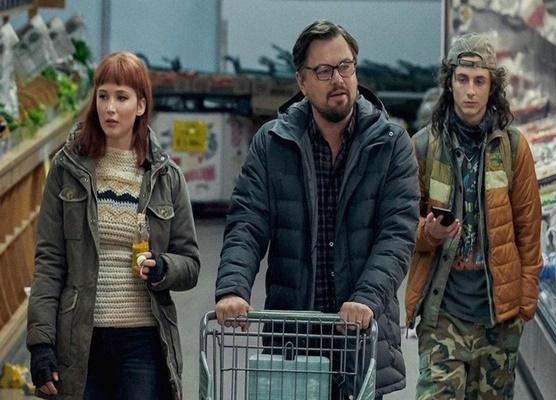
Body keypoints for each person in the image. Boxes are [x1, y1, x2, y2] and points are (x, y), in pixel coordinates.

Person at [214, 20, 419, 399]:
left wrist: (366, 298)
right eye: (324, 71)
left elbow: (397, 234)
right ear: (302, 81)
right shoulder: (272, 143)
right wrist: (232, 288)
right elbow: (247, 223)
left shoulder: (391, 144)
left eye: (345, 66)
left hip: (360, 334)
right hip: (294, 335)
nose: (338, 79)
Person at [26, 51, 201, 399]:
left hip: (143, 341)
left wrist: (162, 266)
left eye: (122, 98)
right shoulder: (67, 169)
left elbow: (191, 264)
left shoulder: (166, 177)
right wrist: (40, 343)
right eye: (103, 96)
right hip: (80, 339)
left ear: (141, 105)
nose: (110, 108)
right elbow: (49, 261)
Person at [405, 33, 543, 399]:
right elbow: (403, 227)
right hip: (442, 311)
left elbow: (529, 230)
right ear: (449, 83)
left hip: (498, 317)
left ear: (491, 87)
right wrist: (429, 233)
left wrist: (524, 303)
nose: (470, 91)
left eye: (479, 81)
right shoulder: (424, 146)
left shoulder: (513, 148)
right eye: (462, 79)